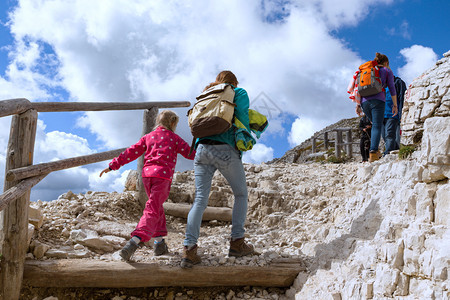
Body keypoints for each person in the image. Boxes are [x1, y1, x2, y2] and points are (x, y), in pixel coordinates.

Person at [181, 70, 254, 269]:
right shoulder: (238, 92)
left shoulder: (206, 93)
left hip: (201, 150)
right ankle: (237, 243)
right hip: (225, 149)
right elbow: (243, 120)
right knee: (240, 194)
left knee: (200, 200)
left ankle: (189, 248)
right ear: (234, 81)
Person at [100, 110, 195, 261]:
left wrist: (113, 165)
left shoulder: (148, 137)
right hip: (163, 177)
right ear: (173, 123)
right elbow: (191, 154)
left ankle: (159, 244)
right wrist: (202, 144)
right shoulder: (174, 138)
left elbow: (131, 152)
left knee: (156, 206)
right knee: (152, 208)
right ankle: (134, 241)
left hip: (147, 176)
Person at [355, 53, 398, 162]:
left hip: (365, 102)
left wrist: (358, 105)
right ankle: (373, 152)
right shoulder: (386, 71)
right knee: (377, 126)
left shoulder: (366, 70)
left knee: (374, 124)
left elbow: (358, 88)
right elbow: (392, 89)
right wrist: (395, 105)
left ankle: (376, 151)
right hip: (378, 101)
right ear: (386, 63)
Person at [382, 76, 407, 154]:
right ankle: (395, 150)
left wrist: (401, 113)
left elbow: (402, 98)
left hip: (392, 114)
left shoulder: (397, 82)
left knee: (389, 135)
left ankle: (387, 153)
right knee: (384, 136)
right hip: (381, 115)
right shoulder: (380, 85)